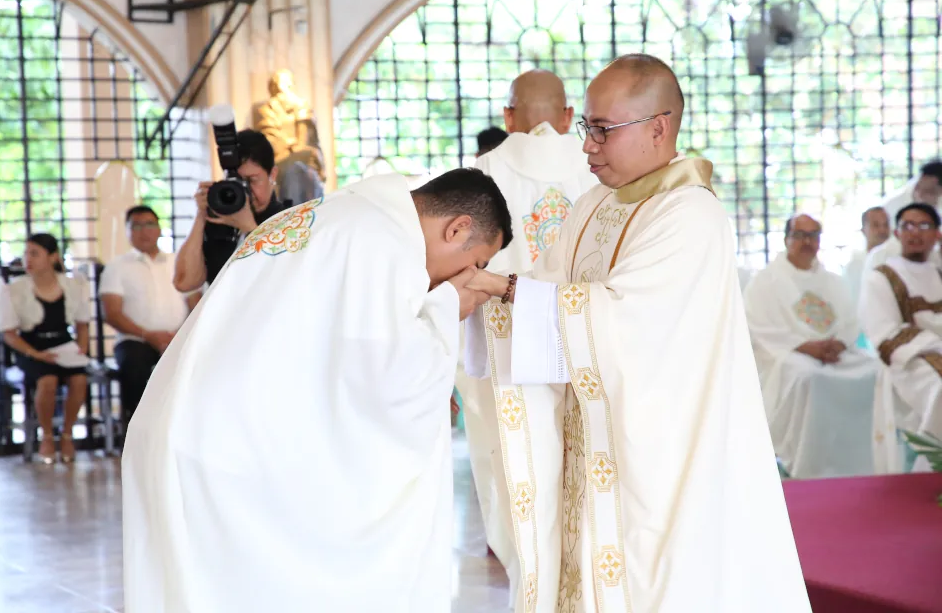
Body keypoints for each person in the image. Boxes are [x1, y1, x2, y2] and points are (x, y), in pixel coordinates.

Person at [464, 54, 808, 611]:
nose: (586, 146)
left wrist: (502, 291)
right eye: (587, 127)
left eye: (602, 130)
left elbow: (629, 324)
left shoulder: (690, 215)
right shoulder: (592, 205)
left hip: (660, 459)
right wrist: (482, 293)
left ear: (658, 127)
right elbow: (543, 288)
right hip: (593, 446)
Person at [122, 168, 512, 613]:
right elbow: (387, 381)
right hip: (229, 458)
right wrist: (446, 308)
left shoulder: (336, 214)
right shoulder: (384, 244)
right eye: (477, 262)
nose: (470, 275)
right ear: (457, 227)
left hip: (189, 433)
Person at [462, 68, 594, 603]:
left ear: (508, 118)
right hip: (586, 346)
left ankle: (531, 588)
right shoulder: (601, 166)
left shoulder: (480, 172)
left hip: (508, 356)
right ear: (568, 118)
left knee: (518, 480)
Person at [743, 214, 879, 478]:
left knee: (873, 370)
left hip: (834, 352)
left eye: (813, 235)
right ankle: (805, 459)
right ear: (787, 239)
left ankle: (857, 457)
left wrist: (838, 343)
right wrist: (806, 347)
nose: (807, 242)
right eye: (800, 235)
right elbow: (758, 327)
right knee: (809, 376)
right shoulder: (765, 281)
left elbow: (850, 321)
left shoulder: (832, 281)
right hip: (787, 354)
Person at [100, 206, 200, 432]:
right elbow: (112, 313)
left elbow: (196, 303)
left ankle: (184, 429)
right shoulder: (117, 267)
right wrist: (149, 335)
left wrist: (179, 336)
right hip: (135, 340)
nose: (144, 231)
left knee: (196, 363)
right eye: (136, 226)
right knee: (134, 366)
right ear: (127, 231)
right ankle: (137, 430)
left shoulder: (177, 261)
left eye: (150, 224)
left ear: (159, 228)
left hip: (177, 338)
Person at [859, 202, 942, 473]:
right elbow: (885, 335)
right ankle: (931, 471)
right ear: (897, 233)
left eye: (924, 225)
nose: (914, 232)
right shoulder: (881, 277)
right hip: (908, 362)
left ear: (937, 235)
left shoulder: (939, 272)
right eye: (907, 225)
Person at [0, 234, 90, 463]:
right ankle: (46, 436)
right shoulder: (14, 289)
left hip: (63, 344)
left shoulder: (71, 285)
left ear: (53, 257)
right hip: (31, 347)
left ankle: (67, 434)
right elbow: (9, 334)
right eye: (26, 253)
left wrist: (81, 351)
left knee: (78, 380)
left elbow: (83, 325)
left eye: (35, 253)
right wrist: (36, 354)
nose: (28, 259)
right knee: (47, 380)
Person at [173, 130, 289, 290]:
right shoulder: (219, 221)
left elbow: (289, 277)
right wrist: (201, 215)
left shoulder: (289, 219)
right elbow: (184, 282)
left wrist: (250, 229)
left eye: (252, 180)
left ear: (272, 174)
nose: (246, 189)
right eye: (238, 181)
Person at [863, 162, 942, 272]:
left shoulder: (938, 204)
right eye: (928, 190)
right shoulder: (891, 205)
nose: (916, 232)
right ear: (922, 178)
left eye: (935, 193)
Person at [842, 206, 890, 309]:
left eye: (886, 225)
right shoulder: (854, 266)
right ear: (863, 230)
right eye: (876, 225)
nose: (882, 230)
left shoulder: (896, 262)